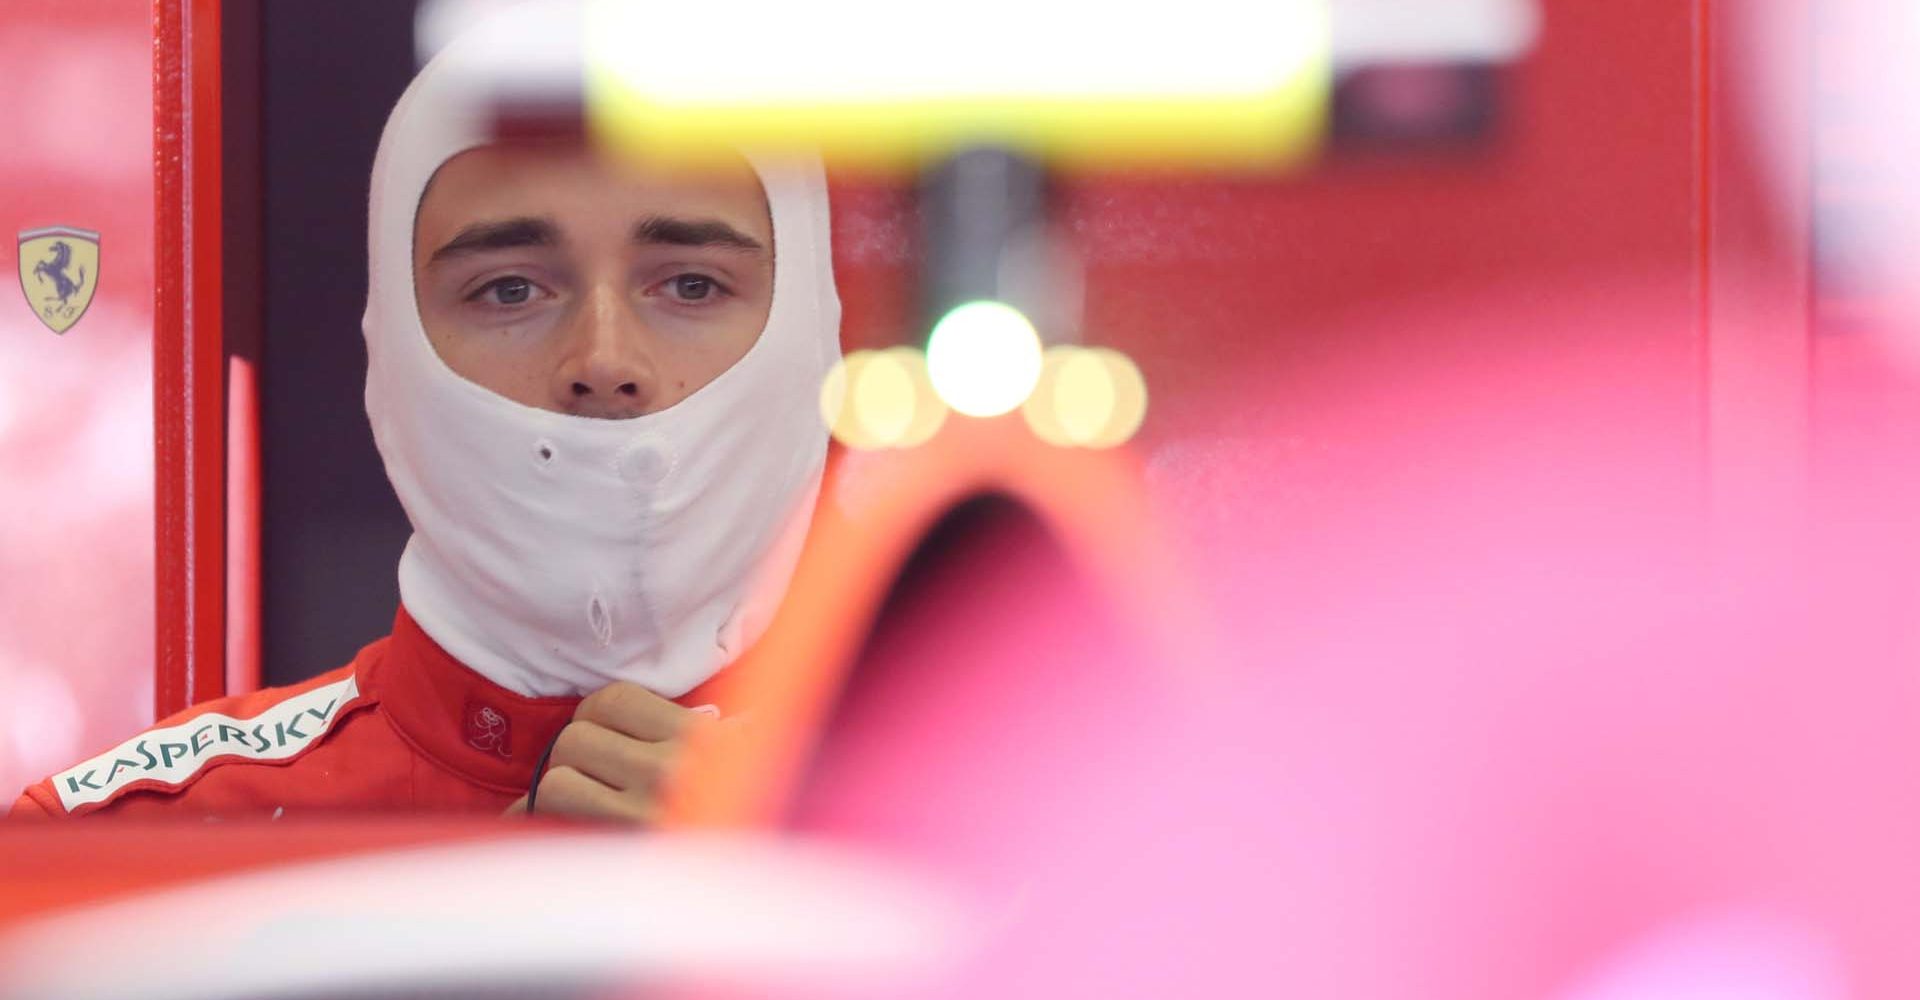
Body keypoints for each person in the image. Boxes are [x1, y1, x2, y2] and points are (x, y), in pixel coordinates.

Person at [9, 6, 840, 821]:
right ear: (394, 353)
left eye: (691, 285)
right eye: (510, 290)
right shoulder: (128, 842)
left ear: (813, 333)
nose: (603, 363)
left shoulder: (942, 836)